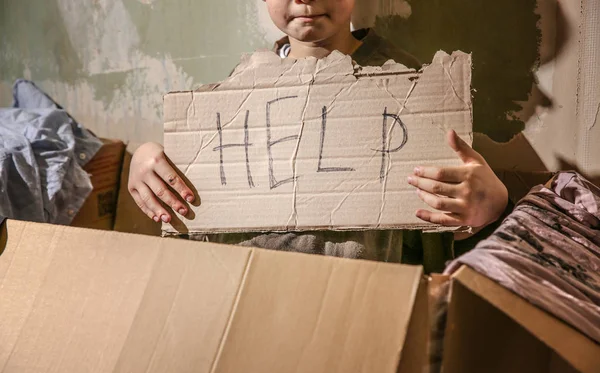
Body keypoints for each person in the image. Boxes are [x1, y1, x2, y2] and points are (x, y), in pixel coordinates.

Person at [127, 0, 509, 273]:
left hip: (364, 314)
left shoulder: (411, 85)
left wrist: (490, 206)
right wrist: (146, 157)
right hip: (250, 307)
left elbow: (439, 225)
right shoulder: (238, 87)